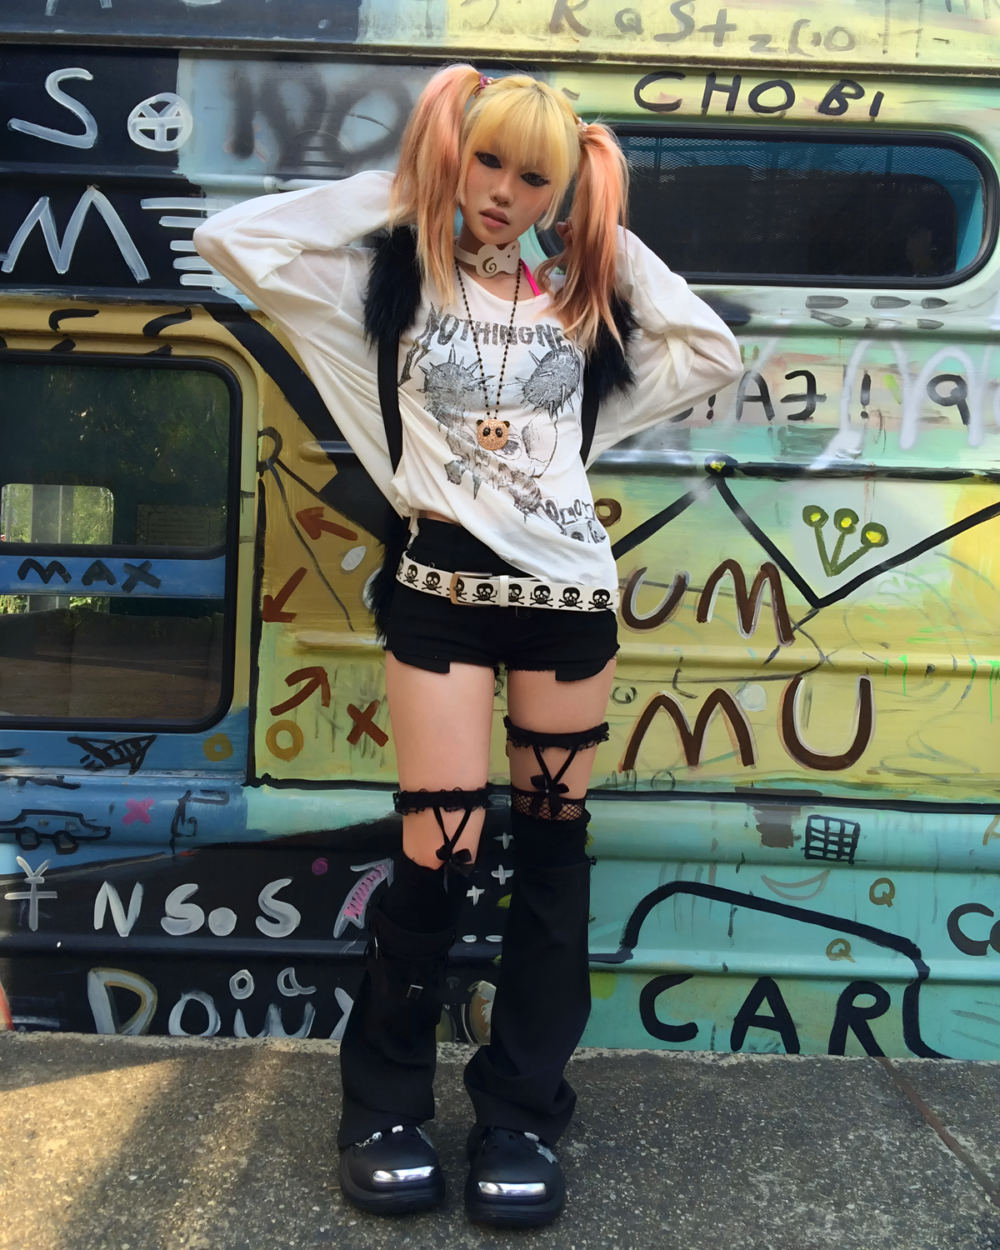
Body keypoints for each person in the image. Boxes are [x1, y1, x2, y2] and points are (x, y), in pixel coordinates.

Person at [195, 64, 742, 1229]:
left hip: (565, 603)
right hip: (436, 592)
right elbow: (234, 238)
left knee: (552, 855)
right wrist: (410, 183)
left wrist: (596, 224)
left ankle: (522, 1109)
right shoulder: (387, 281)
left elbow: (707, 348)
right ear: (455, 158)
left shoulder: (585, 313)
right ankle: (383, 1105)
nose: (501, 192)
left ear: (558, 191)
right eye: (486, 161)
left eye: (529, 175)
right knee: (433, 857)